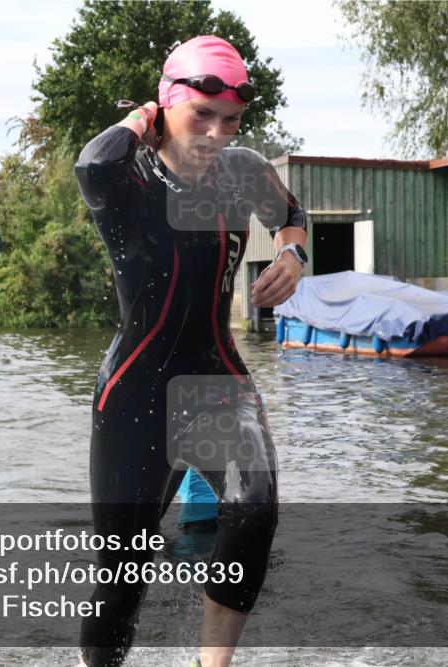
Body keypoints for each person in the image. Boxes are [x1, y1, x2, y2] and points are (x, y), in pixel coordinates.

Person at [74, 35, 308, 667]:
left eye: (229, 121)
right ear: (164, 105)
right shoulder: (128, 180)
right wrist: (140, 120)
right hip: (135, 395)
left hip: (216, 380)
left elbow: (292, 213)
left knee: (254, 510)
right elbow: (91, 163)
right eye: (200, 115)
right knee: (122, 578)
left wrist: (293, 253)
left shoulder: (243, 172)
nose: (214, 133)